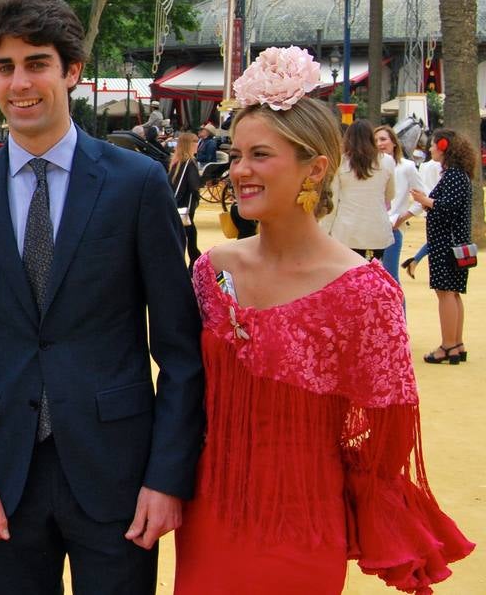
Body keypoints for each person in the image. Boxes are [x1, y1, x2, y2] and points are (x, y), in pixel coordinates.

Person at [0, 0, 204, 594]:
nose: (20, 83)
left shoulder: (137, 184)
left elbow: (180, 350)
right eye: (4, 67)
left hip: (119, 475)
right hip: (1, 479)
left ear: (71, 70)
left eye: (36, 63)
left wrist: (166, 478)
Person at [174, 47, 473, 594]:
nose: (240, 170)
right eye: (237, 154)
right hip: (207, 514)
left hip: (304, 521)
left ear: (315, 167)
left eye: (260, 155)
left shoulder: (363, 291)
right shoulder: (212, 271)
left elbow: (385, 425)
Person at [411, 128, 476, 365]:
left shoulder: (454, 176)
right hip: (453, 243)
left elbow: (447, 208)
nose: (430, 149)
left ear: (444, 146)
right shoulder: (459, 175)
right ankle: (456, 343)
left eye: (432, 145)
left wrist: (423, 200)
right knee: (453, 293)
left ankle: (448, 345)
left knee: (445, 293)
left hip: (446, 244)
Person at [322, 119, 395, 260]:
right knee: (374, 275)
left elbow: (333, 200)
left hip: (346, 231)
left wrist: (325, 230)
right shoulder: (387, 161)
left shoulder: (340, 162)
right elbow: (390, 194)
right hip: (377, 229)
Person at [375, 123, 425, 282]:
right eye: (375, 140)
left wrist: (402, 218)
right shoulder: (370, 167)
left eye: (383, 139)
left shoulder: (407, 167)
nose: (379, 144)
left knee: (391, 278)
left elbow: (422, 198)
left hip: (392, 228)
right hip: (370, 230)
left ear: (394, 142)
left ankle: (399, 308)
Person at [402, 148, 443, 280]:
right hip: (436, 205)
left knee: (434, 239)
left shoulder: (424, 166)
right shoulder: (440, 166)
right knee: (438, 240)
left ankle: (415, 260)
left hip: (425, 204)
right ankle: (415, 260)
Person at [169, 131, 203, 264]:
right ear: (188, 145)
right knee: (189, 236)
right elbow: (194, 185)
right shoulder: (190, 163)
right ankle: (193, 264)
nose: (197, 144)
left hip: (177, 204)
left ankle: (190, 263)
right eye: (195, 142)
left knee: (184, 235)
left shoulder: (176, 163)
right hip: (186, 207)